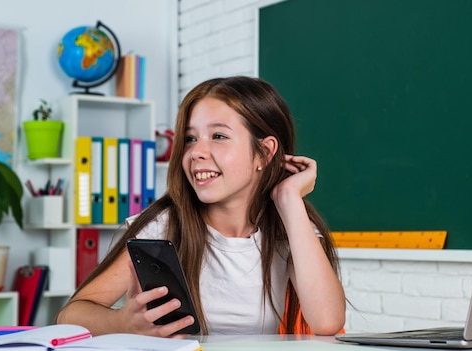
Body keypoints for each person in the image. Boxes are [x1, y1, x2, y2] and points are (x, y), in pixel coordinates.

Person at [56, 76, 346, 336]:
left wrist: (289, 198)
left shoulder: (289, 227)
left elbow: (326, 321)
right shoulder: (162, 225)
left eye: (218, 136)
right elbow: (71, 314)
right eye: (190, 138)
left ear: (265, 152)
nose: (196, 152)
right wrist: (119, 323)